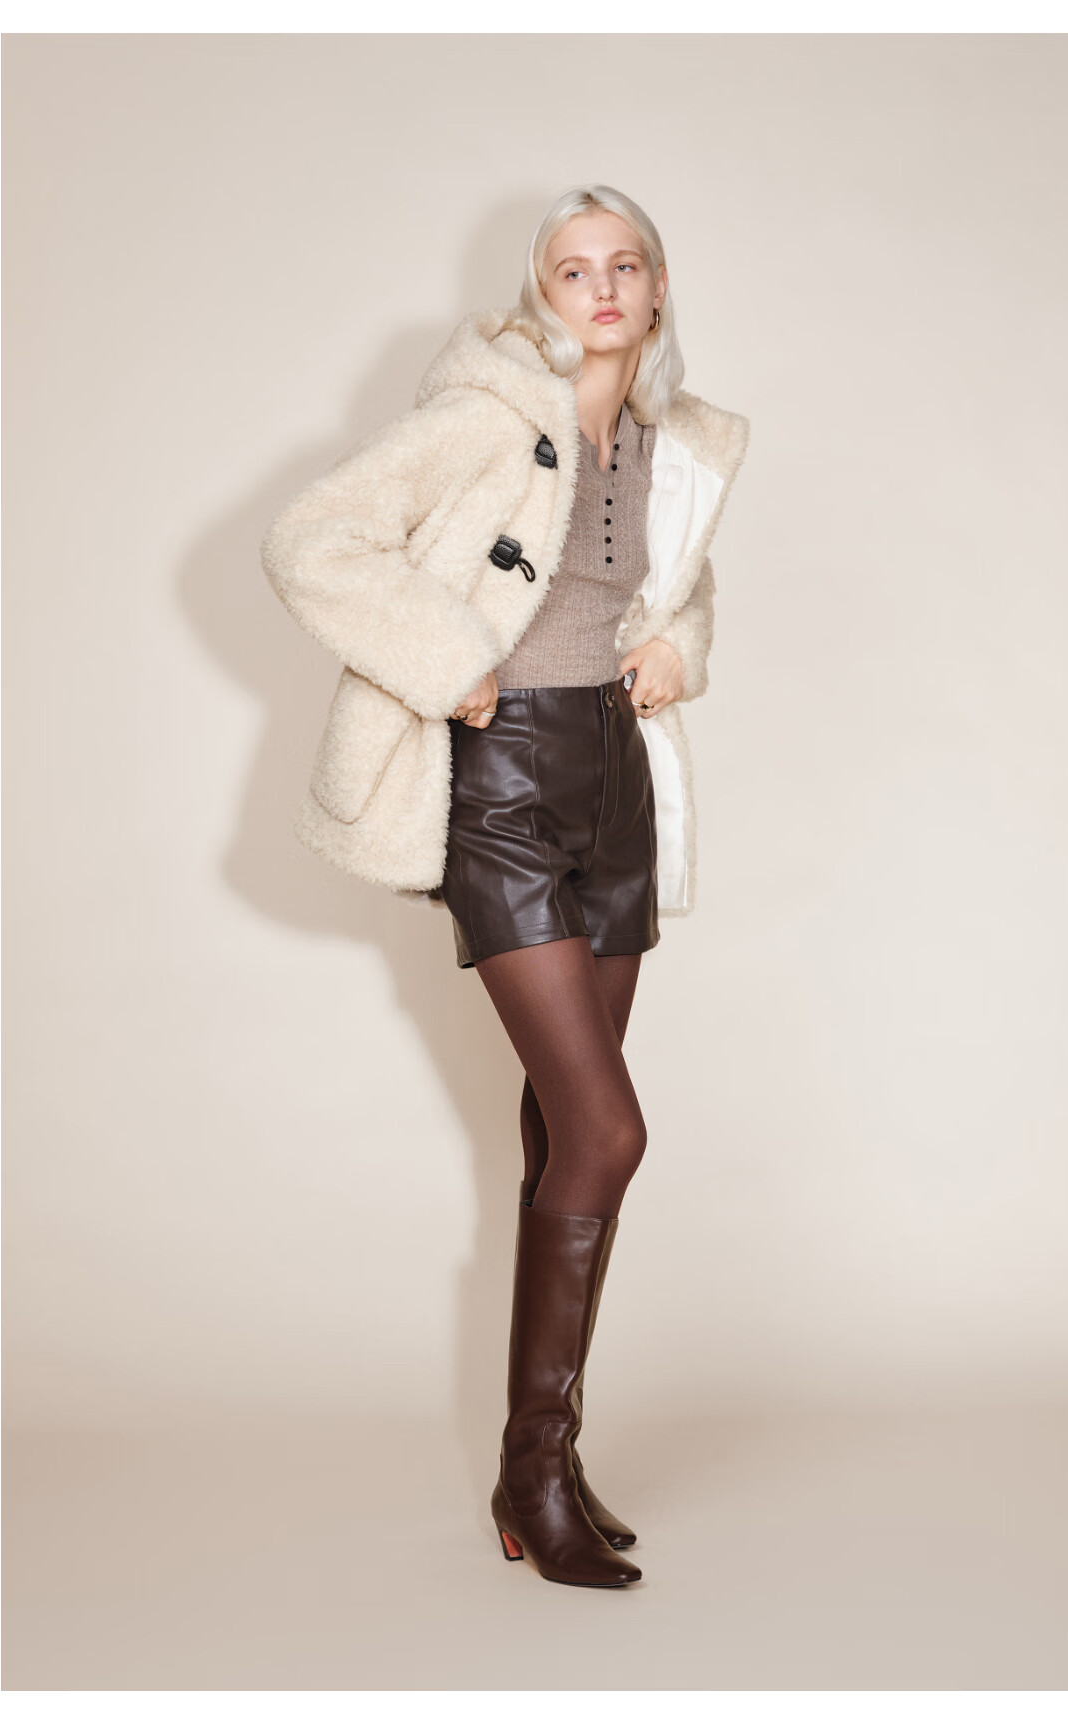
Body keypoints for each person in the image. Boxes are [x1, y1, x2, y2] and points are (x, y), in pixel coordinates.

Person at [261, 184, 749, 1587]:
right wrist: (448, 660)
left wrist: (679, 648)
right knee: (607, 1129)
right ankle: (532, 1467)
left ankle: (546, 1467)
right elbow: (313, 540)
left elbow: (675, 587)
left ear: (656, 288)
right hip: (506, 786)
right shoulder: (485, 415)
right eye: (573, 268)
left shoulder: (676, 442)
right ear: (541, 291)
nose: (602, 288)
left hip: (616, 782)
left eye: (625, 264)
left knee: (557, 1138)